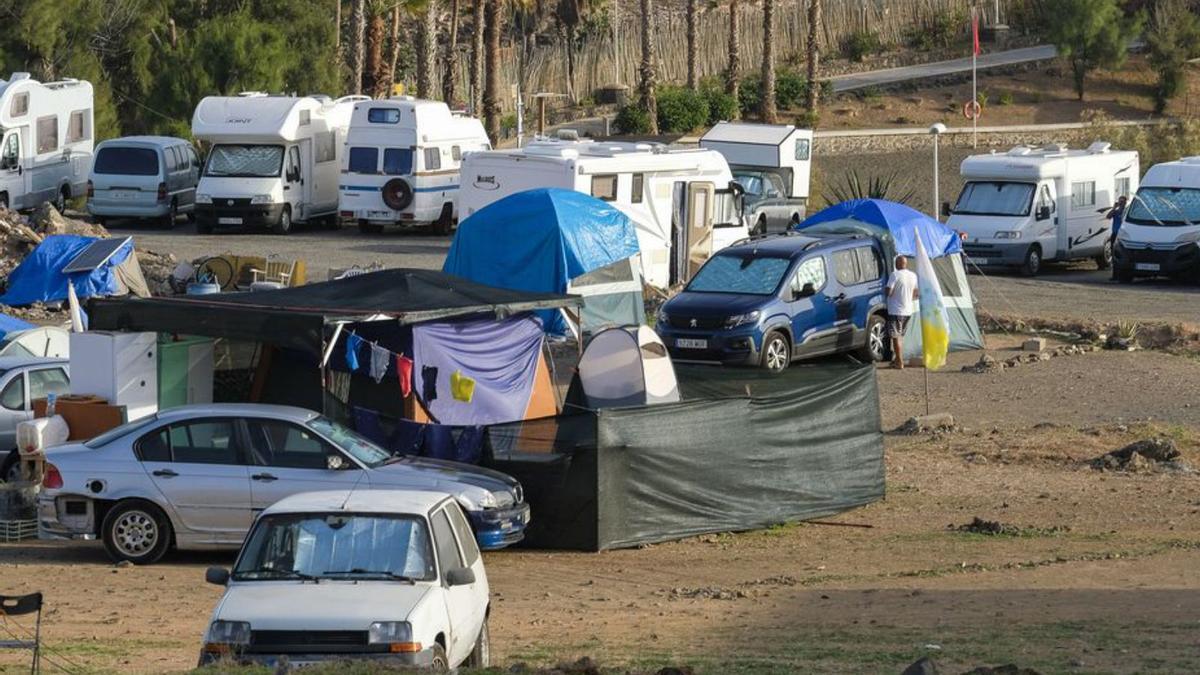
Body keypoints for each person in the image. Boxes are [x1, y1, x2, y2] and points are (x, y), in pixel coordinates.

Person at [885, 255, 919, 369]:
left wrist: (885, 291)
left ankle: (899, 362)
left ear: (897, 264)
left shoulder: (894, 275)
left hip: (895, 310)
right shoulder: (913, 275)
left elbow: (888, 292)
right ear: (906, 264)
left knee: (895, 337)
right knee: (900, 337)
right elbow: (915, 294)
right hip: (908, 311)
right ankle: (897, 359)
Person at [1105, 195, 1128, 280]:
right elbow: (1108, 216)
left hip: (1122, 235)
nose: (1121, 204)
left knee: (1122, 254)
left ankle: (1122, 274)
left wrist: (1122, 209)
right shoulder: (1116, 211)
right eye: (1120, 202)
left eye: (1122, 202)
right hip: (1115, 234)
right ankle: (1115, 275)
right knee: (1114, 255)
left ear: (1125, 203)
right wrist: (1114, 208)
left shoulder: (1126, 211)